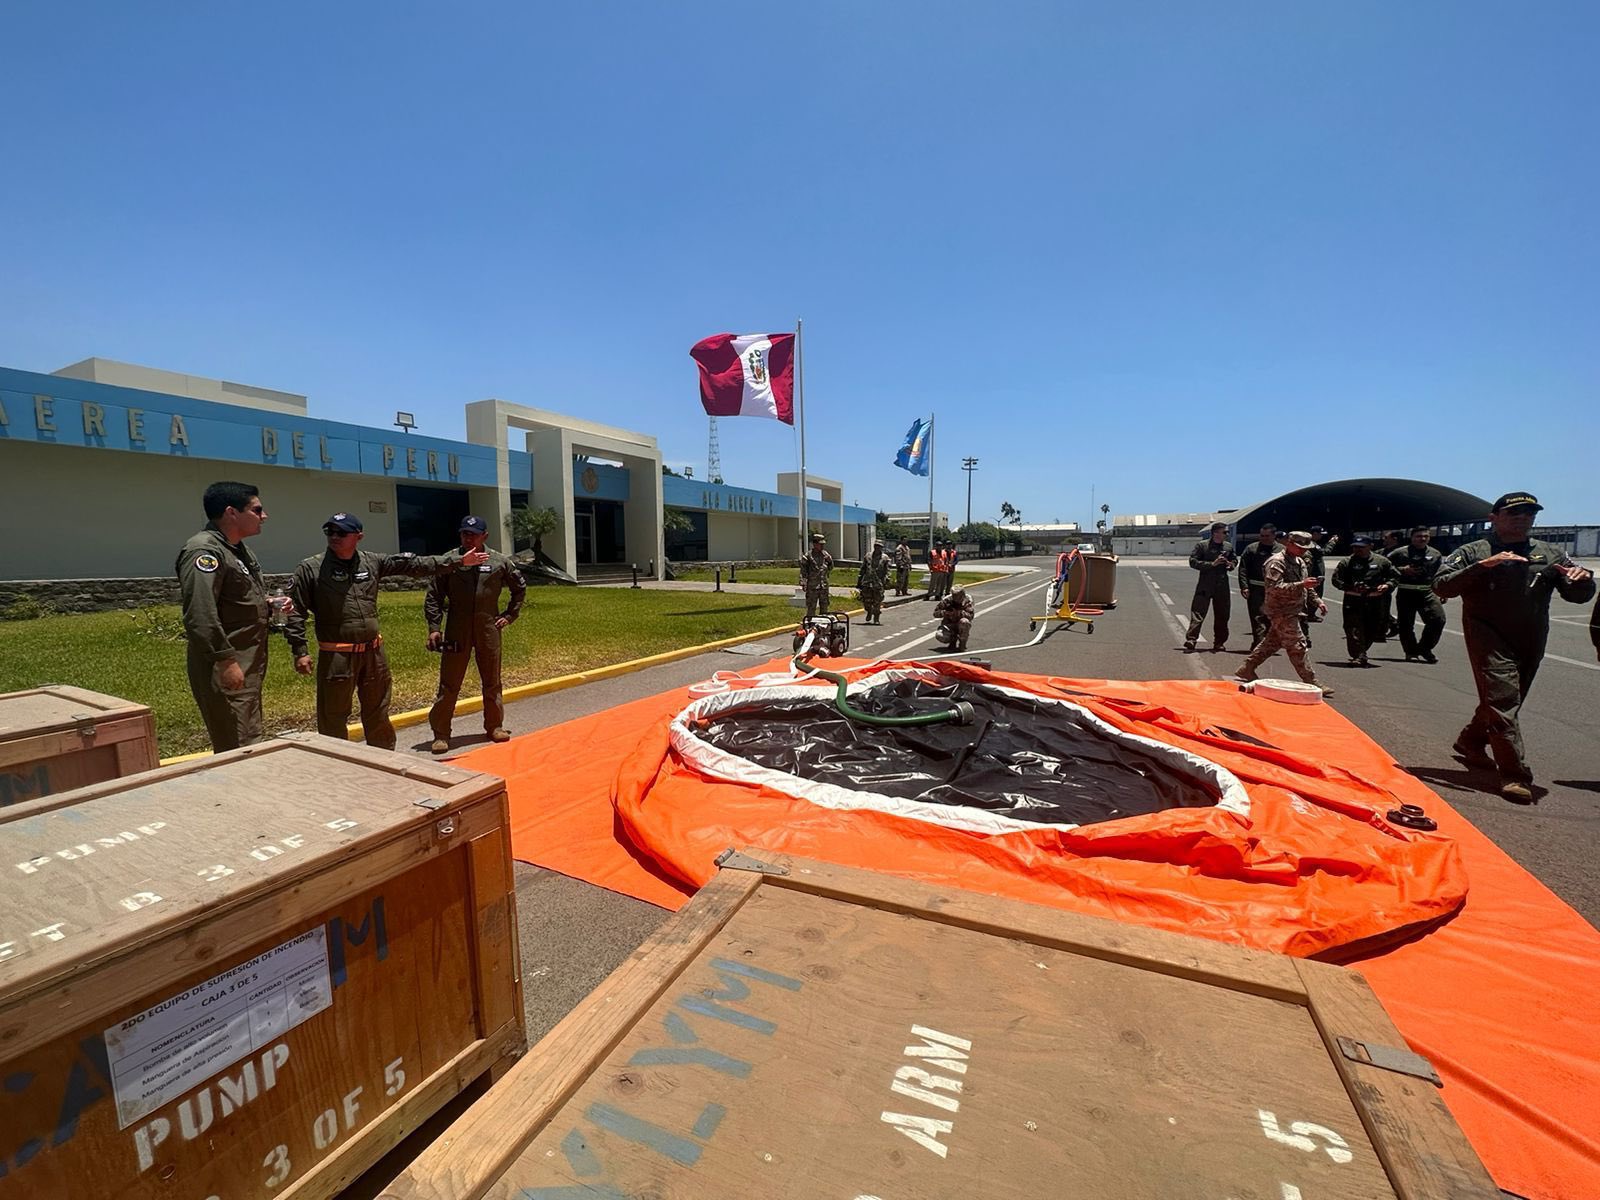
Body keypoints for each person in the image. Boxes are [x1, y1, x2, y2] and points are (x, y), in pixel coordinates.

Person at [1434, 492, 1594, 802]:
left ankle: (1471, 740)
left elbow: (1578, 596)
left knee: (1506, 699)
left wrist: (1582, 580)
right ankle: (1514, 774)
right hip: (1487, 634)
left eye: (1529, 513)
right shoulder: (1474, 551)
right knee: (1503, 698)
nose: (1523, 517)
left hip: (1531, 636)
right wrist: (1483, 566)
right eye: (1514, 512)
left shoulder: (1549, 554)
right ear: (1493, 517)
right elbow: (1442, 586)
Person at [284, 513, 487, 749]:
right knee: (333, 716)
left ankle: (385, 760)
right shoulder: (312, 569)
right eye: (330, 532)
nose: (334, 537)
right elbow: (294, 610)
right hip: (337, 656)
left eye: (341, 532)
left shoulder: (372, 562)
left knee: (378, 711)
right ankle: (336, 765)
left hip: (373, 654)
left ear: (358, 537)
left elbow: (415, 564)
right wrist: (300, 650)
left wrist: (458, 562)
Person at [176, 481, 275, 752]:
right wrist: (225, 661)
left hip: (246, 665)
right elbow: (200, 613)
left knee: (248, 736)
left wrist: (268, 604)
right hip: (228, 666)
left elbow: (233, 601)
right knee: (239, 745)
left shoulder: (237, 550)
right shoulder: (204, 552)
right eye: (257, 509)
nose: (264, 516)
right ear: (232, 513)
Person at [425, 516, 527, 753]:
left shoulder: (499, 561)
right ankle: (441, 733)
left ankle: (494, 726)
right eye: (464, 533)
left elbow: (519, 588)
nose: (468, 537)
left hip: (488, 627)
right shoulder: (451, 561)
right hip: (456, 628)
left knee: (492, 681)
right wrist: (434, 628)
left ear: (485, 536)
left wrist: (510, 615)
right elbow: (434, 596)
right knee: (449, 683)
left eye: (473, 534)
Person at [1234, 532, 1333, 696]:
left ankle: (1247, 668)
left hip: (1294, 609)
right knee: (1298, 646)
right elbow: (1274, 587)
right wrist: (1302, 584)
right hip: (1280, 610)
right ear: (1289, 543)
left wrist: (1317, 601)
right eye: (1300, 547)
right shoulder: (1276, 562)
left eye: (1305, 548)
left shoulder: (1299, 561)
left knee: (1271, 643)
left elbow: (1307, 586)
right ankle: (1311, 681)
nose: (1303, 551)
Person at [1331, 536, 1398, 666]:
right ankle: (1358, 655)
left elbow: (1394, 576)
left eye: (1361, 547)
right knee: (1353, 628)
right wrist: (1350, 588)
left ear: (1370, 546)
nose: (1357, 549)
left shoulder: (1381, 561)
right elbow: (1336, 580)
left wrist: (1387, 585)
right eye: (1355, 547)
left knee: (1372, 628)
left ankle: (1361, 651)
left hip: (1375, 599)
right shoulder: (1347, 562)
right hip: (1353, 599)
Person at [1387, 526, 1446, 663]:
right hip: (1406, 592)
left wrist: (1443, 590)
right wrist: (1402, 570)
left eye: (1426, 536)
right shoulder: (1400, 553)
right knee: (1406, 625)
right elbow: (1384, 566)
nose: (1423, 539)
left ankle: (1425, 648)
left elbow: (1440, 573)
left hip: (1427, 592)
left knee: (1438, 620)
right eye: (1419, 536)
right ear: (1412, 538)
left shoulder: (1435, 554)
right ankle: (1411, 651)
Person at [1183, 522, 1235, 653]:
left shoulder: (1228, 547)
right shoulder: (1203, 545)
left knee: (1222, 614)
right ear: (1215, 533)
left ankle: (1219, 642)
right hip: (1205, 583)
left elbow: (1234, 560)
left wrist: (1230, 564)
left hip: (1222, 584)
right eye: (1225, 532)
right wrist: (1212, 564)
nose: (1226, 534)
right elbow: (1193, 561)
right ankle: (1191, 639)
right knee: (1198, 612)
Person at [1236, 524, 1279, 648]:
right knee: (1257, 617)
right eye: (1262, 535)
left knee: (1272, 618)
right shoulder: (1252, 549)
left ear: (1274, 535)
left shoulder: (1282, 550)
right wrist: (1244, 586)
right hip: (1256, 589)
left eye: (1267, 536)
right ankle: (1259, 643)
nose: (1264, 538)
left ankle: (1269, 643)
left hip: (1275, 590)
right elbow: (1243, 569)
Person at [800, 532, 834, 618]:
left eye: (823, 544)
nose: (822, 546)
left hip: (823, 586)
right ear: (814, 544)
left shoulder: (825, 554)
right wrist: (803, 583)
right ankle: (810, 626)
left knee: (824, 609)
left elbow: (830, 568)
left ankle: (822, 627)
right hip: (813, 587)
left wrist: (830, 561)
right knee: (811, 608)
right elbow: (803, 572)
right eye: (820, 544)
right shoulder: (808, 556)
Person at [856, 540, 890, 624]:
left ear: (882, 547)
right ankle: (869, 611)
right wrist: (859, 581)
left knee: (877, 601)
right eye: (876, 546)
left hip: (878, 583)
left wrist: (887, 580)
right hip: (867, 581)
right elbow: (863, 569)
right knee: (866, 600)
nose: (877, 547)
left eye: (879, 546)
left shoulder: (885, 558)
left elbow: (887, 571)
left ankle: (876, 618)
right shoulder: (868, 556)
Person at [934, 584, 974, 652]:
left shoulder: (968, 600)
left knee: (965, 622)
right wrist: (946, 612)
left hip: (960, 623)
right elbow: (935, 613)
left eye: (957, 595)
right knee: (939, 635)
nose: (956, 597)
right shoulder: (947, 600)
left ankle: (962, 643)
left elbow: (971, 615)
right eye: (954, 595)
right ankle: (952, 640)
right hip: (949, 623)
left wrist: (959, 613)